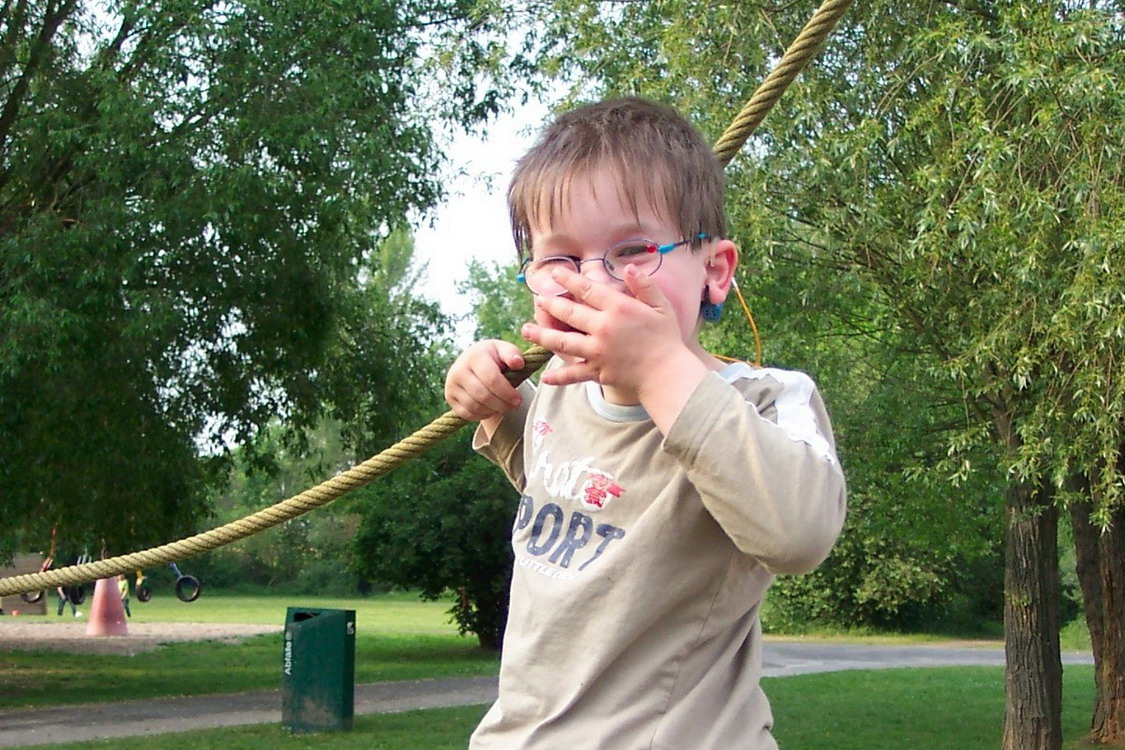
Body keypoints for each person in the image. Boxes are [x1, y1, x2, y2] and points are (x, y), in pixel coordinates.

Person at [444, 97, 847, 749]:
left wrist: (659, 369)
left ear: (714, 270)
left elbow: (799, 533)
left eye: (631, 250)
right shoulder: (559, 394)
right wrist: (491, 395)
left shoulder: (767, 400)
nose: (594, 282)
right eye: (560, 260)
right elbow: (570, 484)